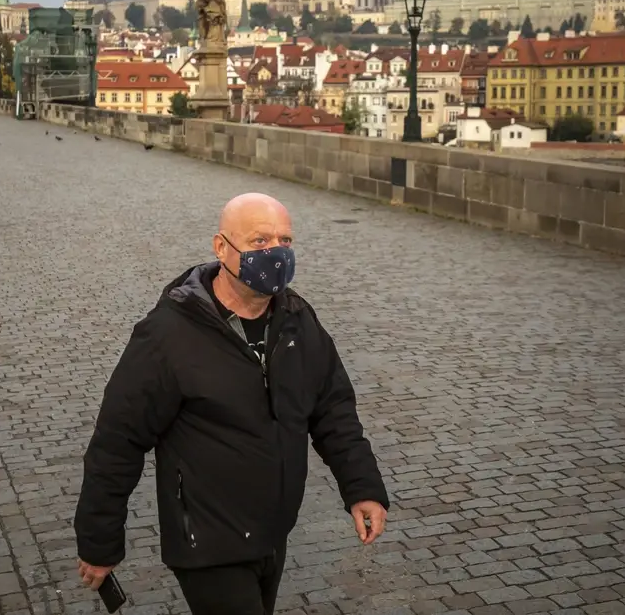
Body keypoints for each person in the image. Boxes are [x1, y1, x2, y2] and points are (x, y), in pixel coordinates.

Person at [74, 193, 389, 615]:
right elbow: (118, 440)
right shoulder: (169, 334)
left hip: (272, 533)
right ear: (221, 247)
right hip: (207, 540)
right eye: (259, 241)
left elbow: (332, 410)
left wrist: (362, 487)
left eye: (285, 240)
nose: (275, 253)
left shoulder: (297, 319)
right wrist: (100, 542)